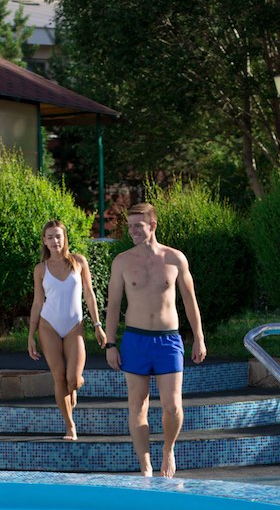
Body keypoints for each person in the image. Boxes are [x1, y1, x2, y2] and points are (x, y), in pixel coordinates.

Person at [104, 202, 206, 477]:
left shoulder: (175, 259)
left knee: (172, 406)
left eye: (138, 225)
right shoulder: (122, 261)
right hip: (135, 340)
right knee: (137, 405)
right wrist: (110, 343)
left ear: (153, 225)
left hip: (168, 340)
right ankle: (145, 466)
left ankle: (168, 449)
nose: (132, 231)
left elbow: (190, 301)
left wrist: (199, 337)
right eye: (129, 226)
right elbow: (113, 305)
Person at [28, 220, 106, 440]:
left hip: (74, 327)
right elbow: (37, 302)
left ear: (65, 238)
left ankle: (73, 388)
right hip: (48, 325)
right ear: (44, 241)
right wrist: (31, 335)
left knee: (74, 379)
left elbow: (89, 294)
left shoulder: (78, 262)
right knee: (59, 377)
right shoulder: (40, 269)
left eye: (58, 236)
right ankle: (70, 425)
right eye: (50, 237)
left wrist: (98, 326)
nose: (55, 241)